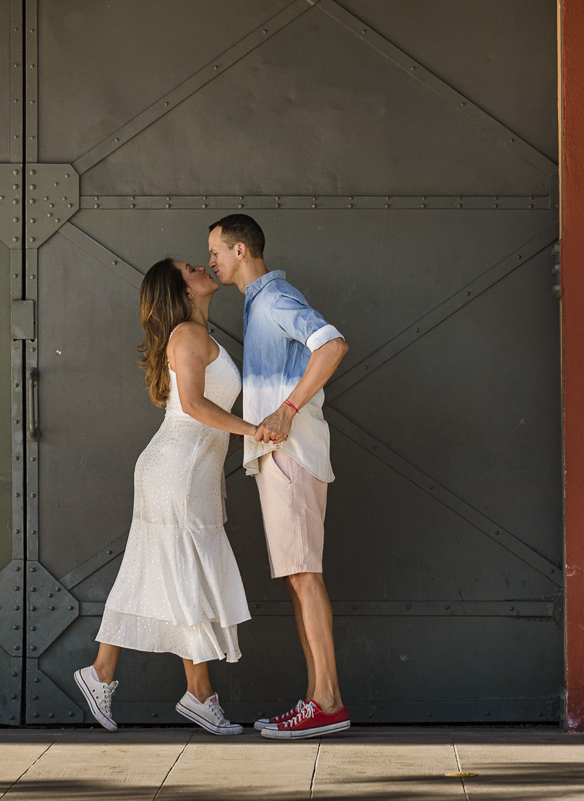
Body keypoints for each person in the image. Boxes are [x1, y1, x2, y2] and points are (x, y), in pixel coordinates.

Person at [73, 258, 256, 736]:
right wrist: (253, 431)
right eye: (191, 268)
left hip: (186, 468)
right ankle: (195, 694)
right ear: (182, 289)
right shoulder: (189, 337)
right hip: (178, 469)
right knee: (179, 573)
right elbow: (194, 405)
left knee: (165, 571)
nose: (202, 267)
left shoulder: (195, 335)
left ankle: (108, 673)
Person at [208, 214, 351, 740]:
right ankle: (317, 699)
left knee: (305, 575)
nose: (212, 262)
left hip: (292, 454)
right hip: (281, 457)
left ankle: (328, 701)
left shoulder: (273, 299)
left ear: (240, 249)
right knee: (298, 576)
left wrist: (288, 409)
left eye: (217, 252)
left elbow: (332, 344)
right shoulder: (258, 304)